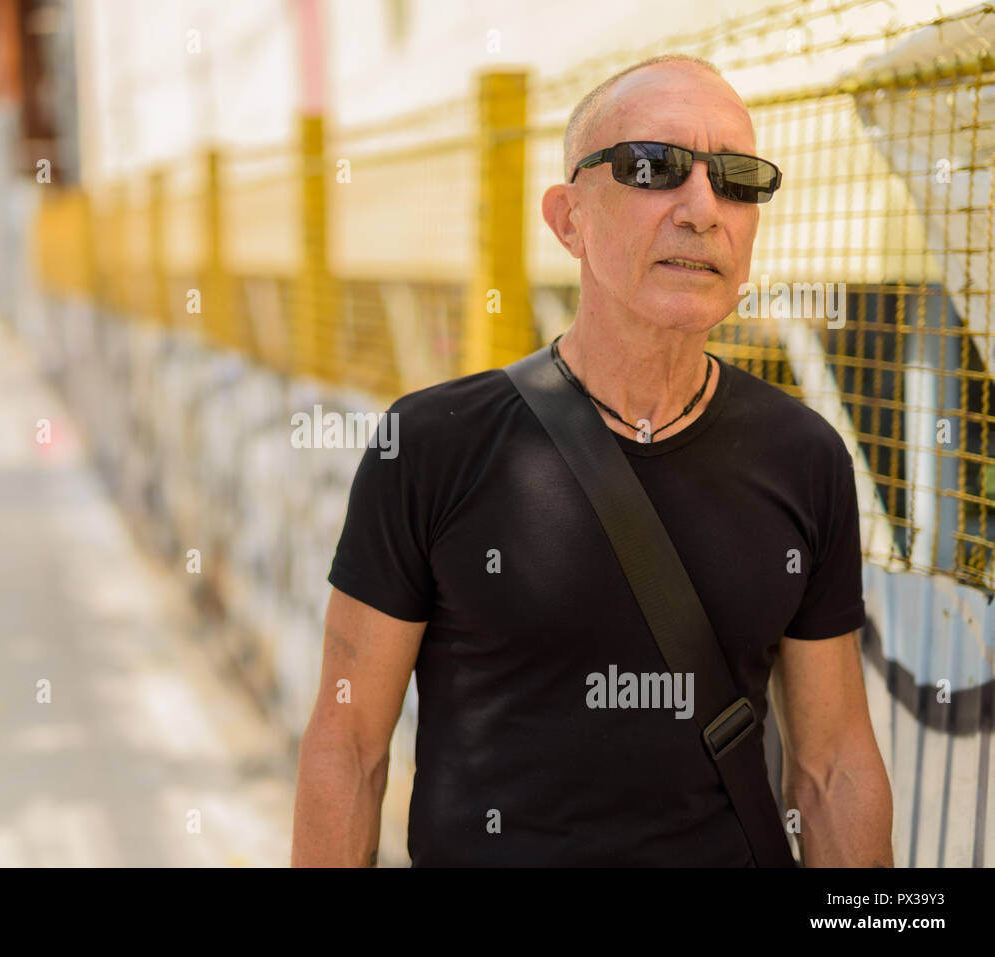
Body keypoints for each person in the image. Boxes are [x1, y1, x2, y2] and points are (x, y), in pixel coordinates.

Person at [291, 53, 892, 867]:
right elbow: (349, 747)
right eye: (655, 167)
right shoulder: (432, 445)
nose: (702, 209)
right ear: (567, 217)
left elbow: (832, 770)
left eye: (739, 178)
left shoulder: (805, 457)